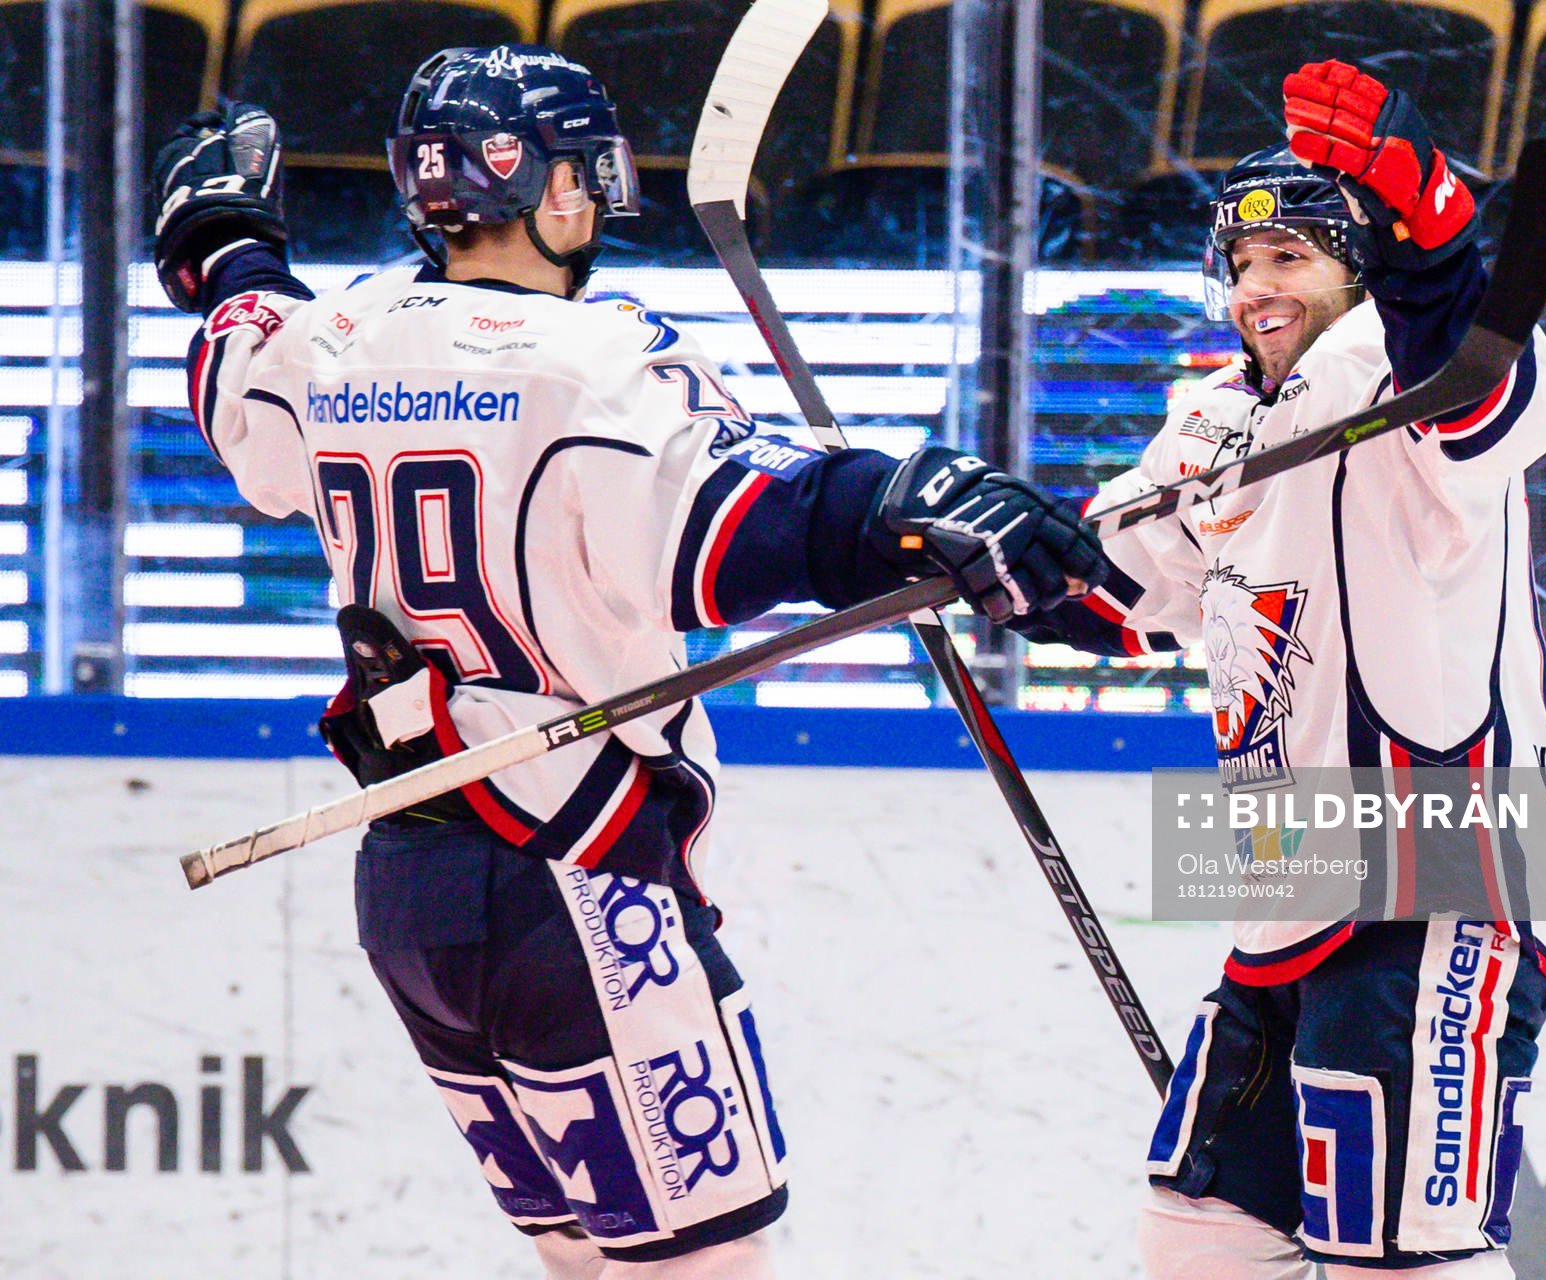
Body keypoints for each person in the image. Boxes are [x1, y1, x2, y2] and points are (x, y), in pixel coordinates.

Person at [151, 45, 1105, 1279]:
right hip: (576, 873)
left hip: (409, 888)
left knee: (584, 1260)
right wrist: (902, 502)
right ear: (550, 186)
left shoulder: (333, 337)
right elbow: (736, 533)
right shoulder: (589, 361)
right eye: (585, 176)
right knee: (700, 1267)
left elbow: (238, 354)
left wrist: (226, 244)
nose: (595, 201)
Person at [1014, 61, 1546, 1277]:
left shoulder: (1404, 376)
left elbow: (1489, 399)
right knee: (1197, 1235)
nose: (1255, 287)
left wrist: (1432, 232)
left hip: (1437, 879)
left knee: (1403, 1257)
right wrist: (976, 543)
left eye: (1293, 257)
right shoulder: (1219, 414)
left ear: (1363, 267)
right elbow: (1119, 584)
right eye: (1242, 260)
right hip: (1292, 885)